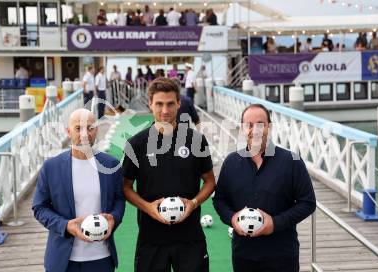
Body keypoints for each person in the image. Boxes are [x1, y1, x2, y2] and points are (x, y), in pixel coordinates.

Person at [122, 77, 215, 272]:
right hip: (151, 238)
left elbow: (209, 182)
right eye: (159, 104)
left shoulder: (196, 140)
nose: (165, 110)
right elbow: (126, 186)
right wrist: (148, 207)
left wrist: (193, 203)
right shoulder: (136, 144)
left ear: (179, 103)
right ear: (150, 104)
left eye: (170, 104)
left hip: (190, 237)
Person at [213, 104, 316, 272]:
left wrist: (274, 224)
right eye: (249, 125)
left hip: (282, 254)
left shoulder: (292, 161)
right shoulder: (231, 162)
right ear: (242, 129)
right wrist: (232, 218)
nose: (255, 130)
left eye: (261, 124)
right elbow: (220, 200)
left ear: (270, 126)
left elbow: (308, 203)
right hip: (243, 255)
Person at [32, 108, 125, 272]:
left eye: (90, 128)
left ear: (96, 130)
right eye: (78, 128)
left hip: (101, 257)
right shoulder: (51, 167)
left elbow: (119, 200)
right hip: (63, 261)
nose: (84, 134)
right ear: (68, 131)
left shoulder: (111, 165)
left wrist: (114, 219)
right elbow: (39, 208)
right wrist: (66, 225)